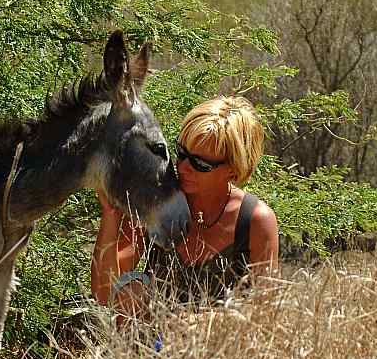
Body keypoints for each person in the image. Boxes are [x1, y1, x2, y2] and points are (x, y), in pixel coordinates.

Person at [91, 95, 279, 324]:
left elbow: (266, 314)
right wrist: (111, 214)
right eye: (182, 153)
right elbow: (105, 291)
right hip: (151, 347)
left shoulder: (255, 220)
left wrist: (203, 324)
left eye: (201, 164)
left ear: (233, 169)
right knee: (133, 291)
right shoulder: (157, 199)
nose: (183, 167)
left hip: (222, 350)